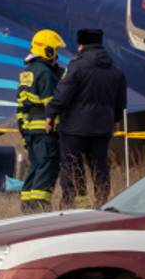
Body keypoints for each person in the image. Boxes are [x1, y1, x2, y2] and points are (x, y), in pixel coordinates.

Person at [45, 29, 127, 208]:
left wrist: (50, 114)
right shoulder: (116, 71)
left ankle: (69, 202)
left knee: (71, 165)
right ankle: (102, 202)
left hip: (75, 128)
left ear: (81, 45)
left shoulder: (77, 67)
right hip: (102, 128)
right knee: (100, 168)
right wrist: (116, 120)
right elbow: (120, 102)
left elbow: (63, 94)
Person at [16, 29, 66, 213]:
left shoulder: (27, 72)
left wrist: (23, 132)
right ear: (47, 50)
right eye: (55, 50)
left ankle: (27, 205)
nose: (57, 55)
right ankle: (39, 207)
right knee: (47, 166)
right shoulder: (45, 73)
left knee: (35, 167)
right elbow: (51, 104)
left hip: (30, 129)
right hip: (45, 129)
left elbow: (20, 105)